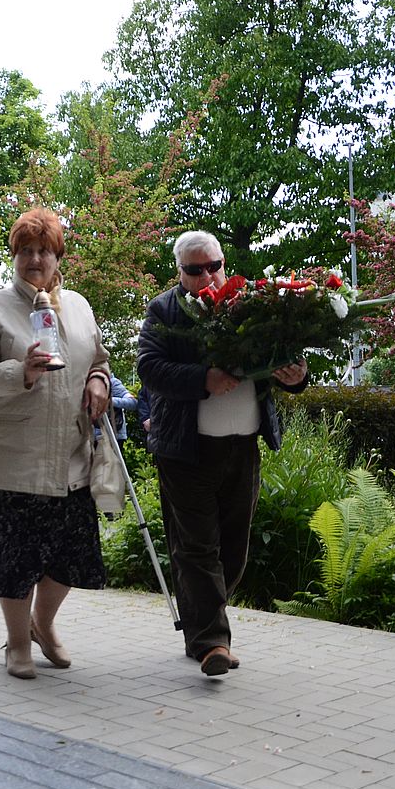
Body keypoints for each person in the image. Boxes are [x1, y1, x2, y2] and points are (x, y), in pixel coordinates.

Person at [137, 230, 308, 676]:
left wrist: (296, 374)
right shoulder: (163, 310)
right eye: (196, 269)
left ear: (223, 264)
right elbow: (149, 369)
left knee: (234, 549)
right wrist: (203, 379)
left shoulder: (251, 303)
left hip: (243, 446)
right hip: (185, 452)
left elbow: (284, 355)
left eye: (214, 266)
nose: (207, 275)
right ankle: (213, 642)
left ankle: (200, 625)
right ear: (180, 271)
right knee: (197, 548)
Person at [0, 207, 111, 679]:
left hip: (70, 456)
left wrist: (99, 380)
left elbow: (98, 359)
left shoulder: (78, 306)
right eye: (25, 251)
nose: (35, 259)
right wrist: (18, 372)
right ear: (14, 257)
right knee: (14, 560)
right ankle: (18, 642)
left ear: (58, 256)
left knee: (70, 556)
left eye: (44, 250)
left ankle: (43, 623)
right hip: (11, 459)